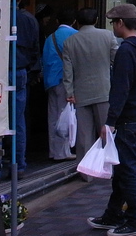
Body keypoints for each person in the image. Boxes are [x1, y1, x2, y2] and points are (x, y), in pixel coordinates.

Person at [87, 3, 136, 235]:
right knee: (124, 170)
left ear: (121, 23)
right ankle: (113, 214)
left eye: (114, 22)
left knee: (128, 171)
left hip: (127, 119)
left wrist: (110, 121)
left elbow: (120, 89)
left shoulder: (126, 50)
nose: (113, 26)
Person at [64, 7, 119, 163]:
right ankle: (109, 165)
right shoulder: (107, 36)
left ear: (78, 22)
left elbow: (67, 71)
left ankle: (86, 171)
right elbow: (117, 59)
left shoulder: (70, 42)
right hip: (104, 90)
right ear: (95, 20)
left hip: (81, 93)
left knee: (84, 135)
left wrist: (69, 92)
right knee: (107, 131)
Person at [11, 0, 41, 176]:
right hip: (21, 69)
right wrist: (34, 71)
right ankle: (19, 164)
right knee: (19, 118)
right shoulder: (29, 19)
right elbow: (35, 48)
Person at [43, 8, 78, 161]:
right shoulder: (75, 36)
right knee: (66, 116)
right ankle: (64, 151)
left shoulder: (50, 37)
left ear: (57, 21)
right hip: (66, 81)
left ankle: (53, 150)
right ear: (74, 21)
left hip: (51, 81)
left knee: (53, 116)